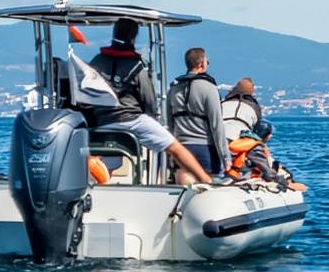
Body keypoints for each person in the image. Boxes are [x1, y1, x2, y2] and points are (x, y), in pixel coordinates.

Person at [88, 18, 214, 185]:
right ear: (134, 36)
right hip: (131, 120)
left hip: (102, 121)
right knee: (175, 148)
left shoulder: (97, 61)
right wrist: (153, 117)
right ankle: (206, 180)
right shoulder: (136, 65)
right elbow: (148, 100)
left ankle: (102, 184)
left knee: (110, 156)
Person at [167, 47, 229, 184]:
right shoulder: (209, 88)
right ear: (201, 64)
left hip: (181, 147)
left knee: (184, 184)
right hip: (205, 148)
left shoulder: (173, 88)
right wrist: (226, 157)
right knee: (206, 187)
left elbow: (170, 124)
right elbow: (216, 125)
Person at [221, 77, 263, 142]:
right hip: (239, 139)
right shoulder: (255, 107)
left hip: (219, 136)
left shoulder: (222, 104)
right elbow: (257, 130)